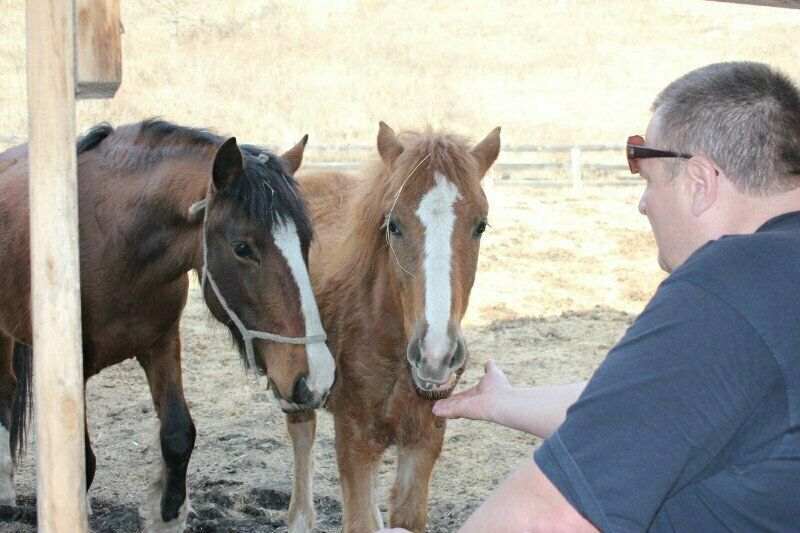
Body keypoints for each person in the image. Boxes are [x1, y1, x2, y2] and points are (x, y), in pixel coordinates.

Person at [385, 61, 800, 532]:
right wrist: (504, 402)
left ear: (699, 184)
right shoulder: (778, 284)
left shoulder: (725, 292)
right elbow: (656, 406)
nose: (643, 204)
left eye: (648, 180)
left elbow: (549, 516)